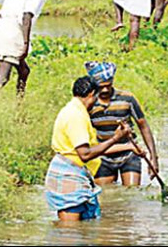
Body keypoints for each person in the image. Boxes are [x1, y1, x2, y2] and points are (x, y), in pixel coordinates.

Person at [45, 75, 134, 221]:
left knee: (79, 230)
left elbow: (95, 149)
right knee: (69, 233)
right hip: (69, 177)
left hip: (73, 174)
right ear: (92, 94)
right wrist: (116, 138)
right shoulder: (77, 116)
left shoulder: (72, 110)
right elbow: (85, 154)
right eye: (97, 97)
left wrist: (127, 145)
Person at [86, 61, 159, 186]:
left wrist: (153, 158)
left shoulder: (127, 99)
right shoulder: (89, 104)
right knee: (106, 197)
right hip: (103, 155)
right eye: (101, 87)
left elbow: (143, 126)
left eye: (108, 86)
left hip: (129, 154)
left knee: (130, 194)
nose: (105, 90)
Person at [0, 0, 64, 95]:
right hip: (12, 31)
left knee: (24, 70)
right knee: (3, 76)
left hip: (0, 29)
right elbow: (27, 17)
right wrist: (25, 43)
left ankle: (19, 102)